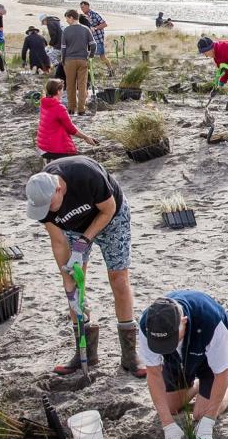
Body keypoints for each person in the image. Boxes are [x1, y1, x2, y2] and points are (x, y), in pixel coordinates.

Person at [24, 156, 144, 378]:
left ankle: (130, 356)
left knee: (118, 278)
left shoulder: (86, 175)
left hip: (111, 218)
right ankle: (85, 354)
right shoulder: (43, 202)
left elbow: (108, 209)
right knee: (75, 286)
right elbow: (58, 242)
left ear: (59, 190)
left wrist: (84, 242)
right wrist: (69, 285)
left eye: (49, 205)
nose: (46, 211)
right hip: (73, 229)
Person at [138, 291, 228, 439]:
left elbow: (221, 374)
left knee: (201, 413)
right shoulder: (148, 324)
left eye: (170, 341)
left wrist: (209, 421)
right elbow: (154, 373)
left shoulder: (210, 322)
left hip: (210, 358)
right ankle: (200, 386)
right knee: (170, 407)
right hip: (178, 359)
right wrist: (167, 423)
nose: (165, 346)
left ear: (183, 322)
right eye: (160, 344)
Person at [37, 79, 98, 162]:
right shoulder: (59, 107)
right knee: (78, 162)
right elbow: (71, 129)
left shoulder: (44, 103)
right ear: (58, 91)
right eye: (62, 89)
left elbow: (43, 97)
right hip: (54, 148)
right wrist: (86, 137)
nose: (63, 91)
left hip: (43, 147)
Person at [60, 9, 93, 114]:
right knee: (82, 85)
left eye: (67, 18)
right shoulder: (86, 29)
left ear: (71, 17)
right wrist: (90, 56)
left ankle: (71, 108)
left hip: (69, 61)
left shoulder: (66, 30)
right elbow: (94, 45)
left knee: (70, 85)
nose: (66, 21)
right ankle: (81, 109)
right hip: (83, 60)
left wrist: (63, 60)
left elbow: (63, 48)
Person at [79, 1, 111, 72]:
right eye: (81, 8)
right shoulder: (83, 17)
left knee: (102, 57)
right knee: (87, 58)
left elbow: (105, 24)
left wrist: (95, 28)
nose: (82, 9)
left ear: (88, 6)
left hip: (98, 40)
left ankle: (111, 70)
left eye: (83, 7)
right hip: (89, 41)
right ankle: (89, 74)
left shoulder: (94, 15)